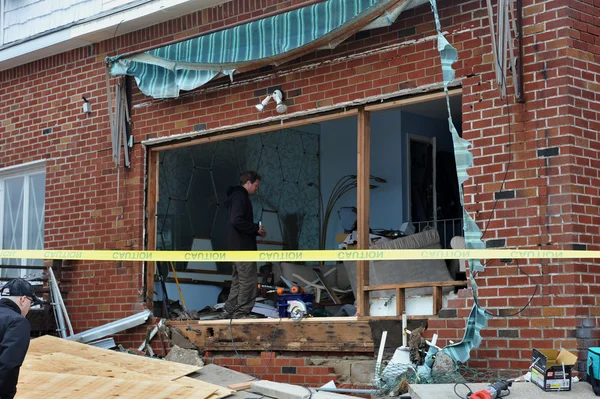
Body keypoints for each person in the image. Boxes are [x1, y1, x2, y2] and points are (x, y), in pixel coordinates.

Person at [222, 171, 267, 319]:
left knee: (238, 281)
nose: (256, 188)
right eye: (255, 185)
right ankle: (241, 313)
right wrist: (255, 228)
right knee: (248, 281)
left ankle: (229, 311)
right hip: (244, 248)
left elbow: (236, 222)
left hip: (236, 247)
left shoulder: (235, 196)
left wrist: (254, 230)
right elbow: (237, 220)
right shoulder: (241, 197)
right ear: (248, 182)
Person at [0, 278, 41, 399]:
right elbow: (8, 365)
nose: (29, 307)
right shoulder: (17, 322)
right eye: (31, 302)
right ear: (23, 299)